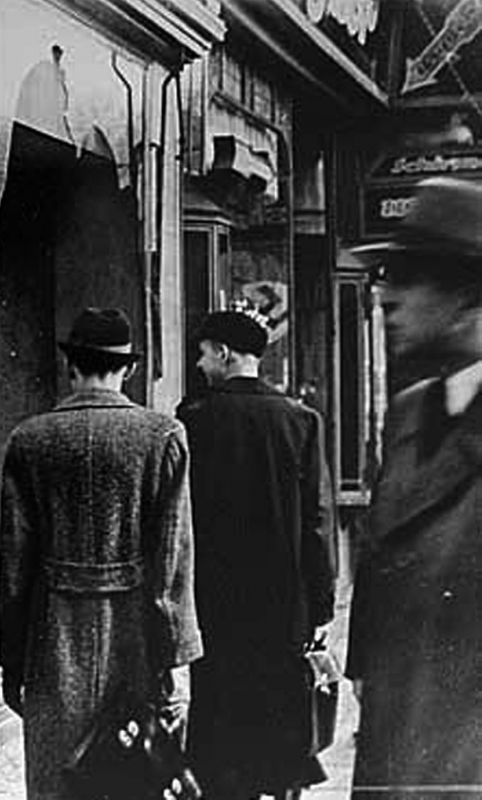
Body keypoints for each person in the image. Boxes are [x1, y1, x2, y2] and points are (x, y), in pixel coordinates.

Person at [0, 307, 203, 798]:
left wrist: (11, 661)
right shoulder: (162, 437)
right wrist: (175, 655)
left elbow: (15, 568)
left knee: (57, 780)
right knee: (134, 777)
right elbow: (172, 558)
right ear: (128, 369)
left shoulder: (30, 439)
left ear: (72, 367)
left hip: (53, 641)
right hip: (135, 641)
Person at [345, 176, 482, 798]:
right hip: (397, 756)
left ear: (467, 297)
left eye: (408, 280)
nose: (387, 300)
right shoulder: (409, 413)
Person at [176, 308, 336, 800]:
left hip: (215, 603)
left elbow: (179, 525)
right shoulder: (301, 420)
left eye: (203, 354)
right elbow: (318, 522)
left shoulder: (193, 420)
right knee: (280, 719)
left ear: (223, 353)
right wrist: (322, 604)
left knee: (221, 723)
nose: (201, 365)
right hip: (284, 603)